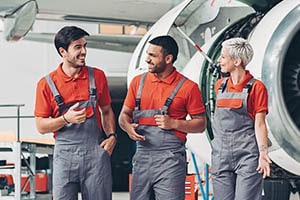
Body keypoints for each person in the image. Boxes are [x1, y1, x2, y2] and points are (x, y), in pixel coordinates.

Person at [118, 35, 207, 200]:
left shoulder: (188, 88)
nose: (147, 59)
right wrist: (127, 127)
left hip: (171, 159)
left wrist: (173, 123)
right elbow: (124, 115)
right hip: (142, 156)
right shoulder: (138, 82)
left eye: (153, 55)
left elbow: (201, 124)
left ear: (168, 58)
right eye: (147, 54)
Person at [34, 26, 117, 200]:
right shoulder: (46, 84)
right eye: (77, 47)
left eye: (85, 46)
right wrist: (65, 119)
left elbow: (107, 110)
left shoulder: (98, 76)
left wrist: (112, 136)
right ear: (63, 51)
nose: (84, 51)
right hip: (64, 155)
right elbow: (41, 126)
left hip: (96, 153)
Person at [211, 37, 272, 200]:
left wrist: (263, 155)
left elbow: (260, 124)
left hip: (247, 155)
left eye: (223, 57)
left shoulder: (257, 88)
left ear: (237, 61)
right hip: (220, 154)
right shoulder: (219, 86)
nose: (219, 61)